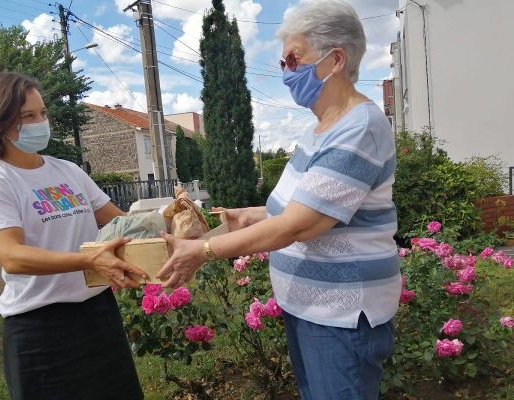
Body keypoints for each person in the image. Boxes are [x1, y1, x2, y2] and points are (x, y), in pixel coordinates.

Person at [156, 1, 400, 398]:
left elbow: (299, 225)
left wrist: (203, 250)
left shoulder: (359, 128)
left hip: (339, 316)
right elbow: (307, 206)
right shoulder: (321, 128)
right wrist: (253, 216)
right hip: (312, 309)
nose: (286, 71)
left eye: (293, 59)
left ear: (335, 59)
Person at [0, 71, 145, 400]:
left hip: (98, 314)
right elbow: (12, 256)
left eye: (43, 113)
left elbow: (122, 224)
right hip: (40, 329)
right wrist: (88, 259)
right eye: (28, 116)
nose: (41, 122)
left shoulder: (67, 170)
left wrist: (169, 220)